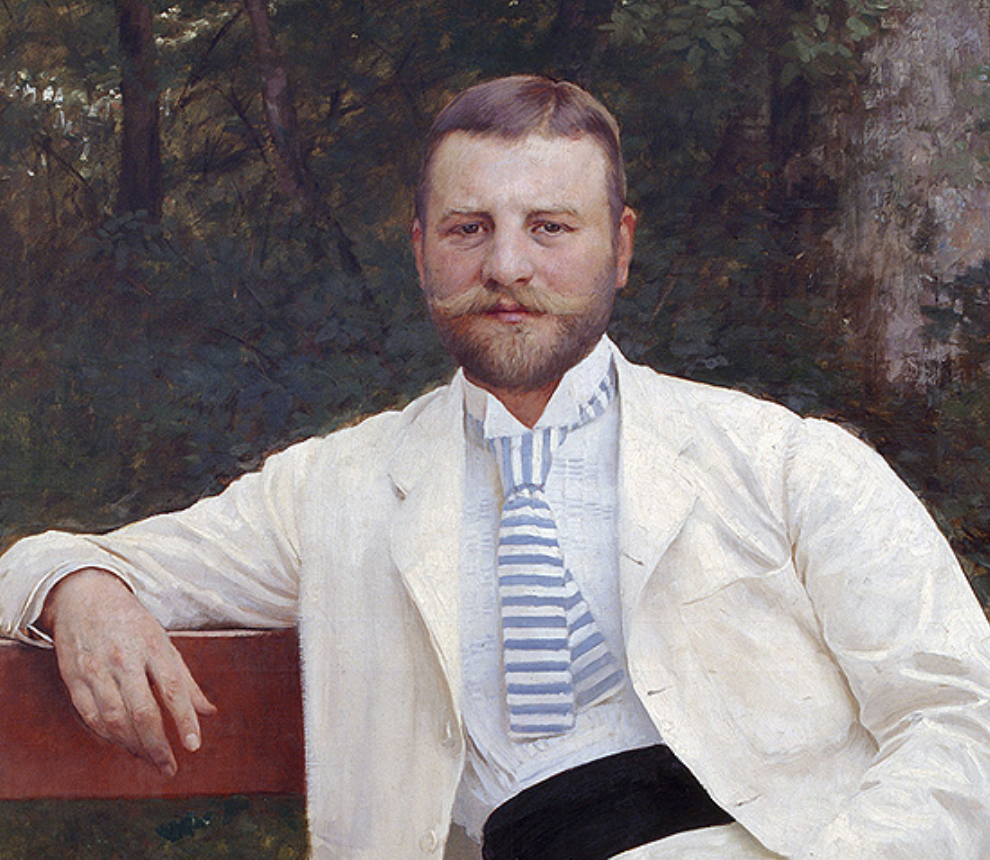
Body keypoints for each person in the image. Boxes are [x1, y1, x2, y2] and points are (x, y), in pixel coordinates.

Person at [2, 75, 990, 860]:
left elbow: (962, 719)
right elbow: (37, 562)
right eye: (470, 227)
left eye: (550, 228)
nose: (507, 266)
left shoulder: (786, 462)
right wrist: (82, 584)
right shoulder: (334, 488)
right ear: (422, 248)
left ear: (620, 248)